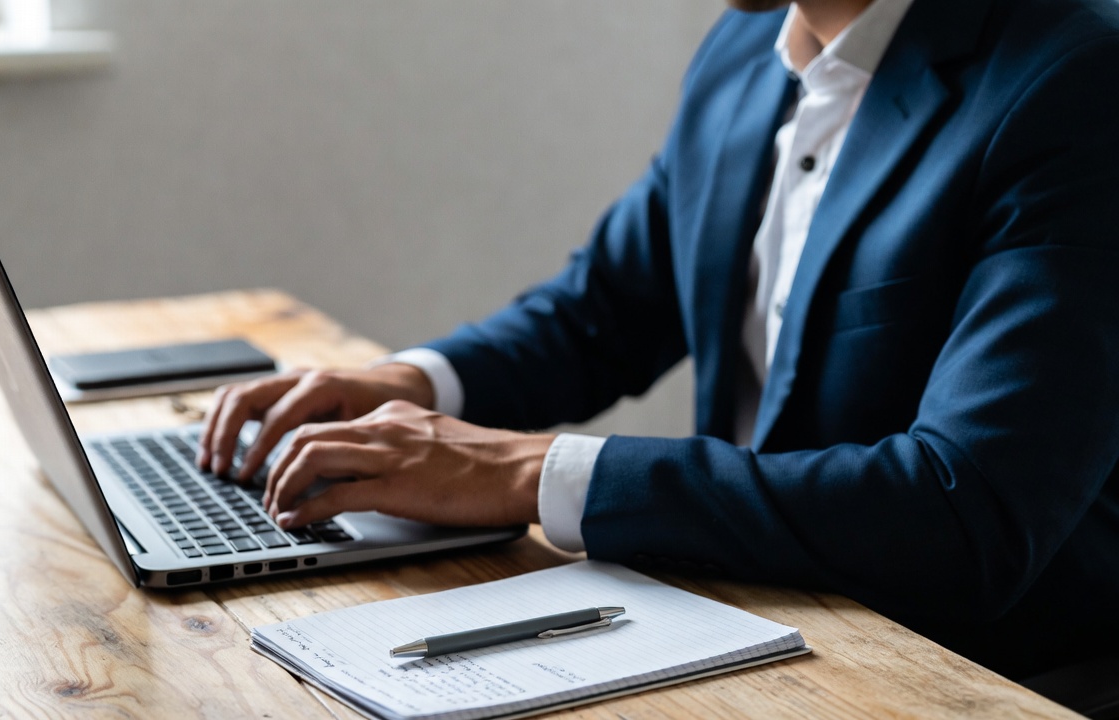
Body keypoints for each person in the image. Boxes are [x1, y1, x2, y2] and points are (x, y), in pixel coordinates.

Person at [199, 0, 1119, 682]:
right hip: (754, 619)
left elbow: (969, 513)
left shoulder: (1076, 80)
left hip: (980, 675)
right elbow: (604, 309)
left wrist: (528, 472)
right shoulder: (742, 51)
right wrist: (411, 384)